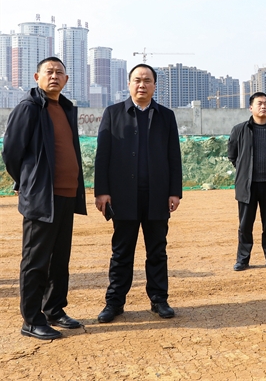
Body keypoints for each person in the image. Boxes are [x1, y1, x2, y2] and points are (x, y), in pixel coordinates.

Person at [2, 57, 87, 340]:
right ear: (37, 77)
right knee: (35, 261)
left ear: (66, 79)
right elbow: (11, 152)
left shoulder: (66, 108)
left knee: (60, 259)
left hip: (66, 196)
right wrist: (27, 182)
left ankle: (54, 309)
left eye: (59, 72)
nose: (54, 76)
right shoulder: (29, 108)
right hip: (41, 198)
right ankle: (31, 319)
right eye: (49, 72)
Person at [94, 63, 182, 323]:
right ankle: (114, 302)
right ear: (129, 84)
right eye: (137, 80)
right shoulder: (113, 113)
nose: (142, 85)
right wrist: (102, 192)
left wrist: (175, 192)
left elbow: (173, 156)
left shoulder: (166, 116)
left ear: (154, 85)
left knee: (157, 251)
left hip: (157, 195)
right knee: (121, 252)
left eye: (147, 80)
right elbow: (102, 156)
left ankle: (159, 300)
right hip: (123, 196)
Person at [228, 92, 266, 272]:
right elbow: (232, 155)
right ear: (250, 107)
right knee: (245, 225)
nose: (263, 106)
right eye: (259, 103)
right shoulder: (239, 130)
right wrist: (245, 171)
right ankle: (242, 260)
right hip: (247, 186)